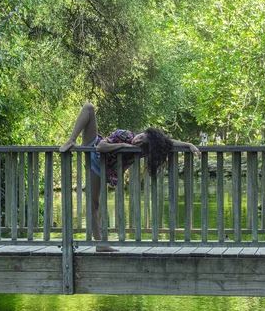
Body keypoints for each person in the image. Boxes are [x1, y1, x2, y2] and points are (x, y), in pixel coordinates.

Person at [59, 103, 200, 251]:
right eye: (140, 136)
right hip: (93, 149)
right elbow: (100, 147)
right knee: (88, 107)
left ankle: (100, 244)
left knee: (94, 204)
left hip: (101, 169)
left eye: (141, 143)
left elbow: (169, 143)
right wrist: (123, 146)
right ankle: (71, 140)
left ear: (145, 148)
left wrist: (189, 144)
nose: (137, 140)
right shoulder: (124, 134)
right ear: (140, 133)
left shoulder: (141, 151)